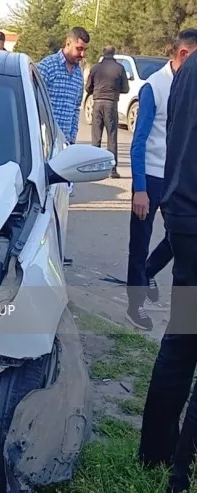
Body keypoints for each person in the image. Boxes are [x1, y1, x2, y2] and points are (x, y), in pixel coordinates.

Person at [138, 28, 197, 493]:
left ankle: (156, 452)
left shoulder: (187, 69)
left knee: (182, 338)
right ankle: (179, 468)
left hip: (183, 218)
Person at [125, 29, 197, 332]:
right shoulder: (154, 87)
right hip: (150, 178)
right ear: (184, 54)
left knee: (178, 235)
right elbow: (138, 142)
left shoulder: (189, 84)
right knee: (139, 244)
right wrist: (140, 189)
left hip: (173, 179)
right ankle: (135, 306)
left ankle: (149, 271)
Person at [38, 27, 90, 266]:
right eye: (79, 48)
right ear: (67, 43)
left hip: (65, 147)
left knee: (61, 202)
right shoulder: (47, 67)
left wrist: (72, 138)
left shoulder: (78, 74)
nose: (82, 54)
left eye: (84, 50)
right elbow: (34, 102)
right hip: (43, 145)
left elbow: (75, 108)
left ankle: (57, 250)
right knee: (41, 201)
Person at [85, 46, 129, 178]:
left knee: (96, 137)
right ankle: (112, 170)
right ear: (114, 53)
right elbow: (126, 88)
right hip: (111, 104)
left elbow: (88, 88)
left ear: (103, 53)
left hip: (97, 103)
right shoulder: (119, 68)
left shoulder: (95, 68)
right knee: (112, 137)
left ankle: (94, 168)